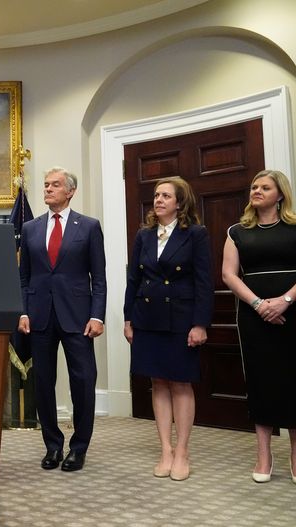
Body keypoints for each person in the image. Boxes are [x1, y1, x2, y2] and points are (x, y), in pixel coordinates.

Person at [221, 170, 296, 488]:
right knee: (261, 381)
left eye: (265, 187)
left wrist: (285, 300)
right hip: (254, 315)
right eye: (254, 186)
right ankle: (263, 456)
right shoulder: (236, 231)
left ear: (280, 194)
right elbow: (229, 275)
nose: (257, 191)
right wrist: (259, 304)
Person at [123, 177, 213, 481]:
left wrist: (200, 323)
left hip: (181, 318)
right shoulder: (144, 235)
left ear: (180, 202)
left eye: (165, 196)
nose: (158, 200)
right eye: (156, 195)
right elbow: (133, 280)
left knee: (180, 383)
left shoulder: (196, 234)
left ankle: (183, 450)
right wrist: (128, 318)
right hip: (147, 316)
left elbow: (204, 282)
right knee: (158, 382)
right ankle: (165, 450)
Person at [18, 167, 106, 472]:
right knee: (43, 383)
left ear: (70, 191)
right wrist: (23, 311)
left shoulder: (89, 226)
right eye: (46, 185)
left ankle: (78, 448)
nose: (48, 189)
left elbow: (99, 277)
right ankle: (53, 445)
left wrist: (97, 315)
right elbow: (24, 277)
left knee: (83, 381)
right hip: (39, 316)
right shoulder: (30, 228)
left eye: (55, 185)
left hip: (78, 317)